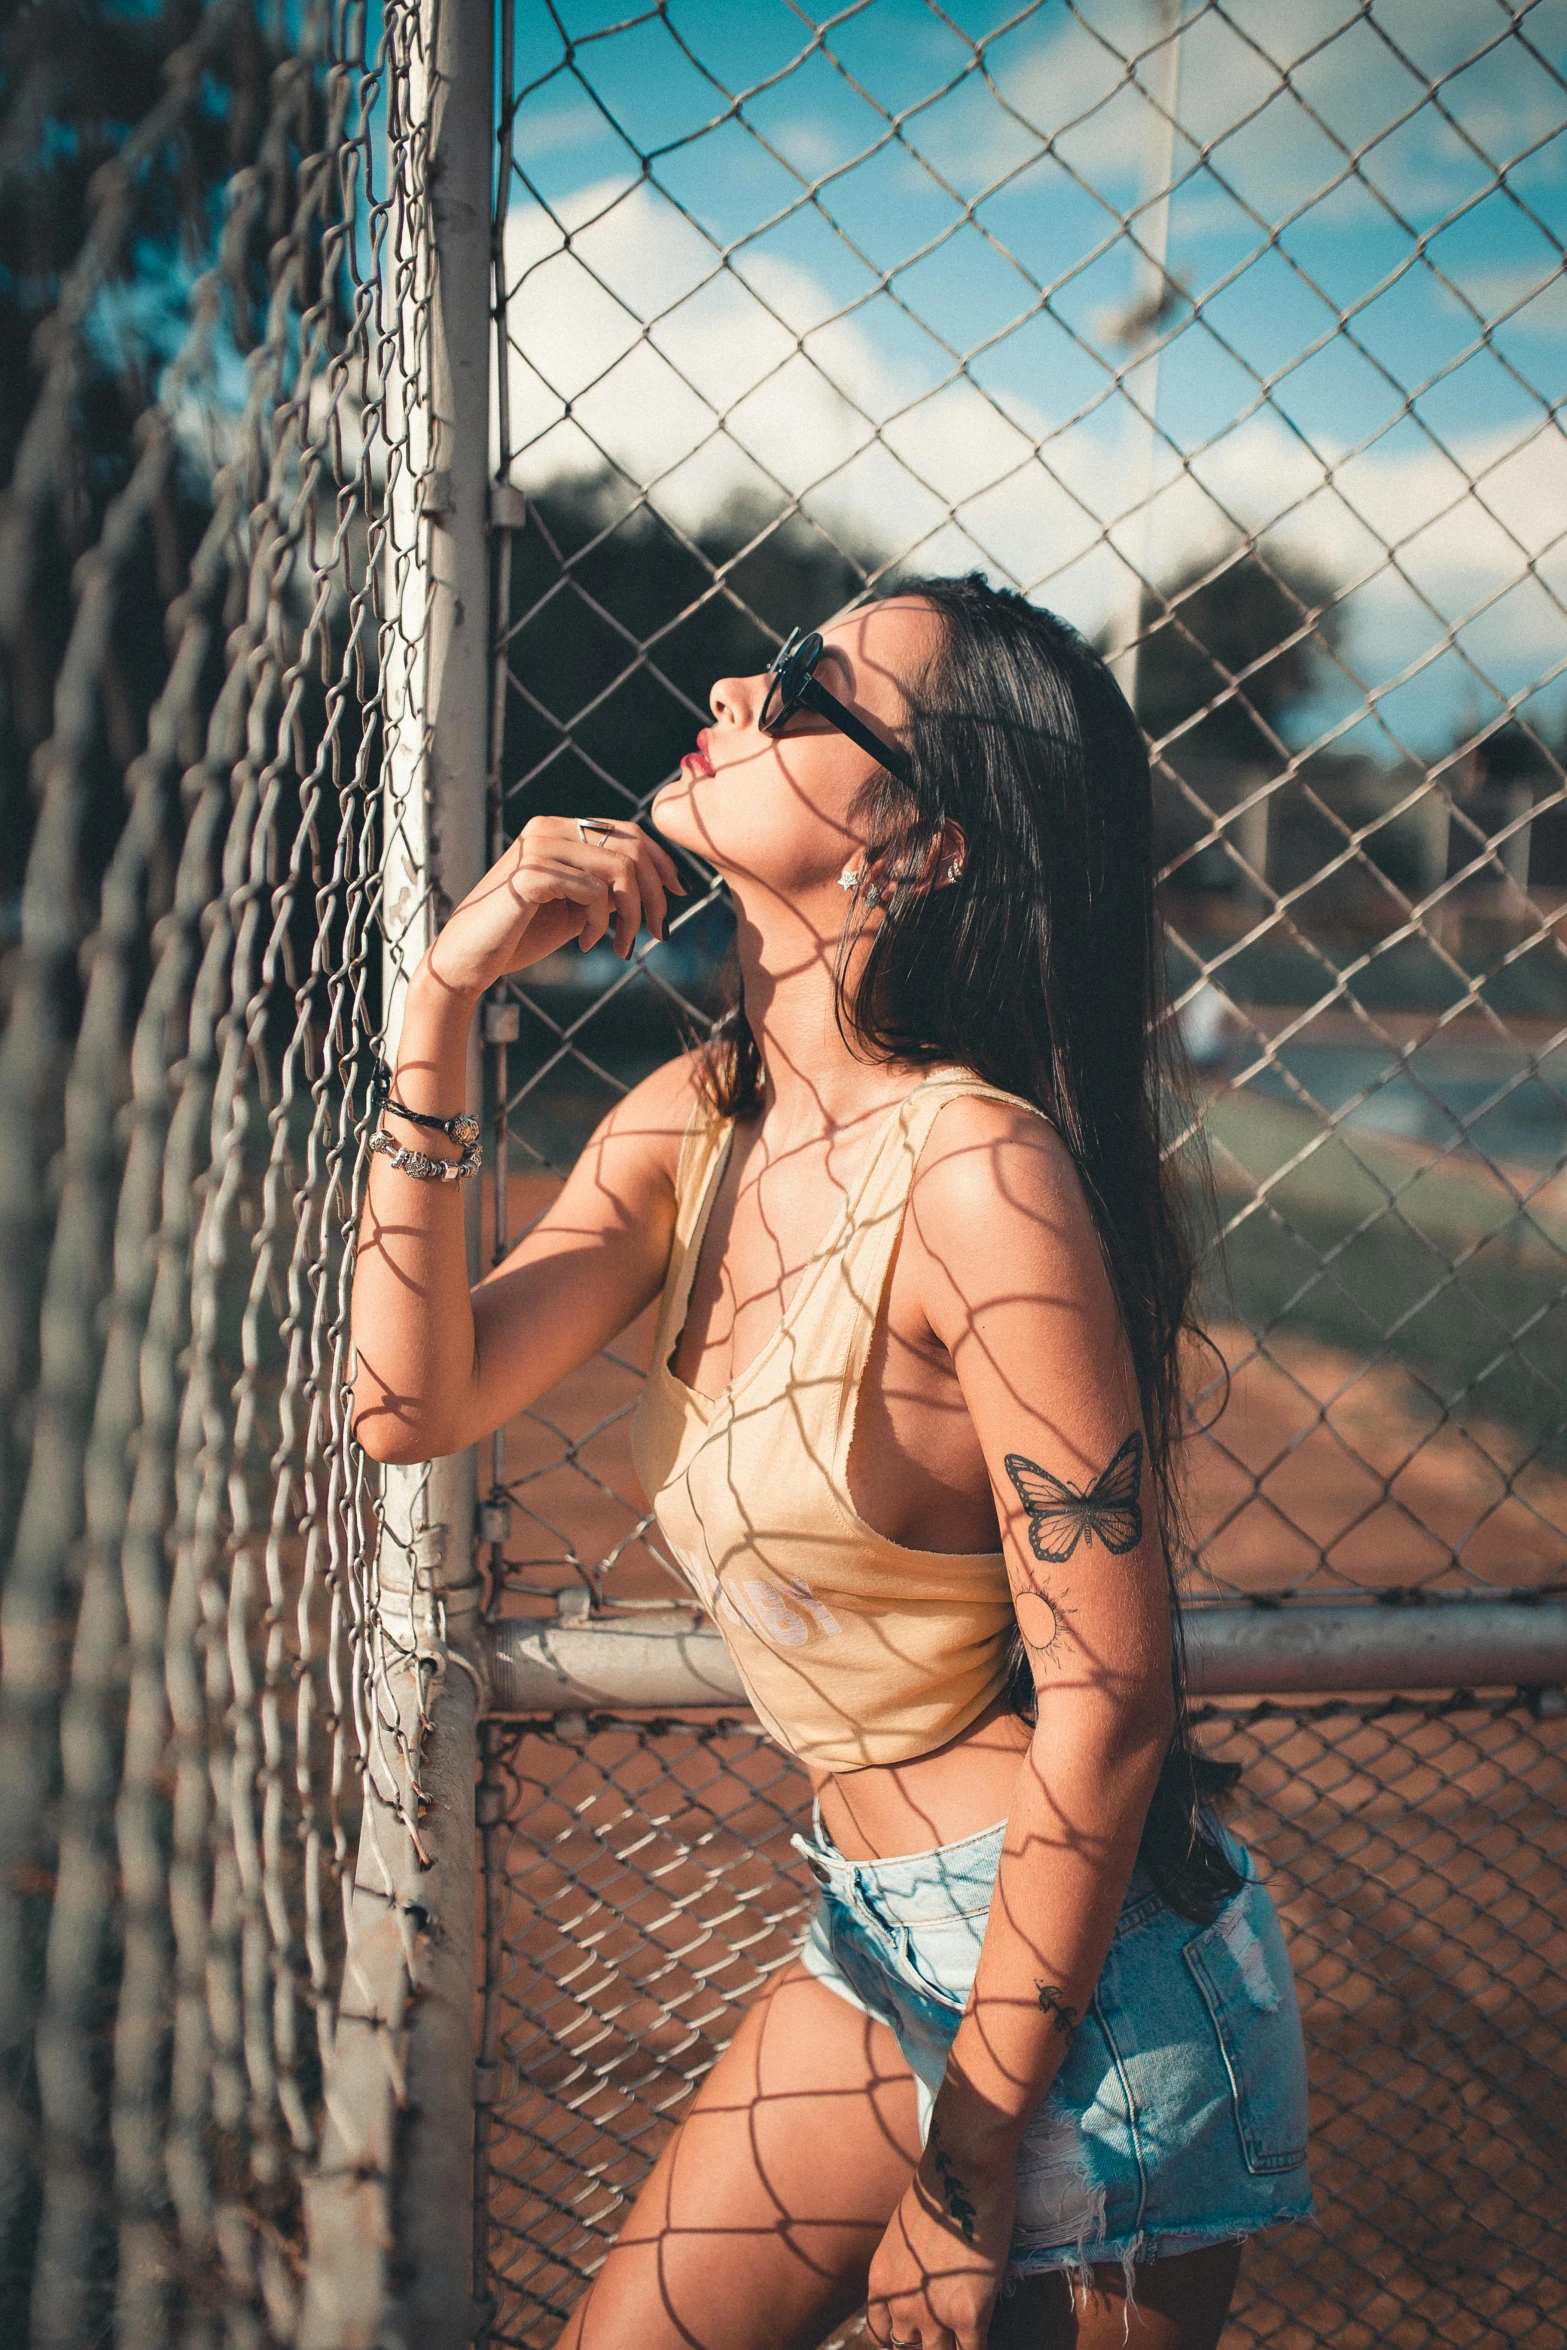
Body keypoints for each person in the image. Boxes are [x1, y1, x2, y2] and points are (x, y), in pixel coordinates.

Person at [350, 576, 1312, 2350]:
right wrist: (438, 997)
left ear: (921, 848)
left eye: (806, 687)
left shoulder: (980, 1174)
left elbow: (1108, 1704)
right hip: (877, 1933)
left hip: (1089, 2001)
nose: (733, 676)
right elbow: (411, 1403)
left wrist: (964, 2180)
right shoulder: (699, 1121)